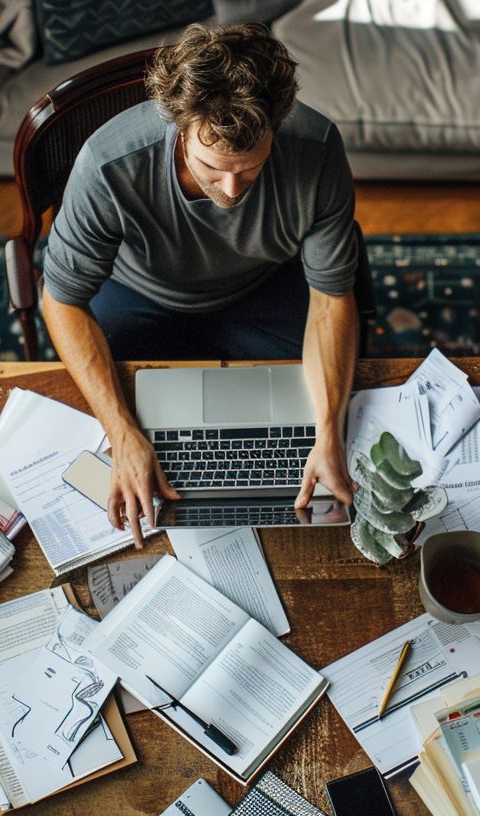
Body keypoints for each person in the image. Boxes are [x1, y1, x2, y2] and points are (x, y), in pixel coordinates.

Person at [40, 23, 359, 545]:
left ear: (277, 128)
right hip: (137, 295)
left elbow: (329, 301)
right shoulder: (108, 163)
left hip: (263, 288)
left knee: (317, 430)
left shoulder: (318, 149)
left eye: (250, 169)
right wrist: (123, 435)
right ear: (181, 128)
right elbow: (61, 301)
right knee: (108, 441)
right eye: (214, 167)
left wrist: (328, 432)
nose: (231, 190)